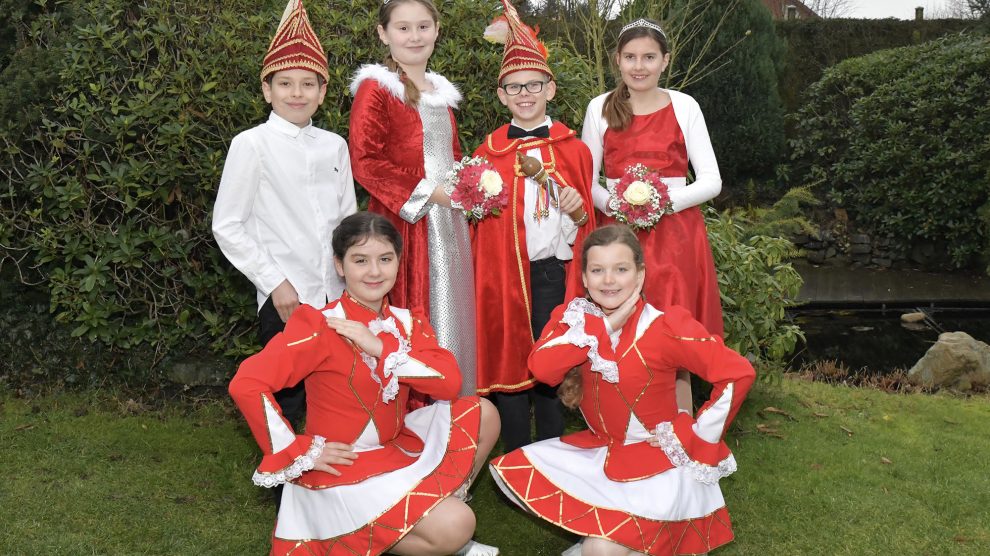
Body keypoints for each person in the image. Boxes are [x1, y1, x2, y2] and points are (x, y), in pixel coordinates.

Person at [229, 212, 500, 556]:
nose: (374, 272)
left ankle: (419, 511)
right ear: (339, 266)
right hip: (342, 465)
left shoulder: (406, 323)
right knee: (458, 524)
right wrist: (300, 450)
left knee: (484, 413)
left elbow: (449, 385)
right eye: (360, 260)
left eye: (385, 259)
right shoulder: (320, 325)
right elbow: (247, 383)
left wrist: (381, 348)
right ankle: (405, 525)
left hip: (395, 448)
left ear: (398, 263)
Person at [490, 225, 755, 556]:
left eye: (621, 269)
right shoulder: (575, 322)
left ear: (640, 275)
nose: (609, 280)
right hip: (601, 452)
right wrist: (602, 328)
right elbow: (542, 369)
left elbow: (738, 373)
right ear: (584, 278)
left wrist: (694, 434)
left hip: (659, 463)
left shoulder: (665, 326)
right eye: (597, 270)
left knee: (601, 550)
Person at [213, 0, 357, 429]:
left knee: (337, 397)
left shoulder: (334, 145)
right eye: (285, 83)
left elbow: (347, 222)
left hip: (335, 297)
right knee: (287, 403)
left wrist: (352, 284)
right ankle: (286, 493)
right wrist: (275, 283)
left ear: (323, 91)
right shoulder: (251, 144)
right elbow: (227, 224)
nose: (297, 93)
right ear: (266, 90)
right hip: (284, 299)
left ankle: (331, 491)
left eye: (308, 84)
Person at [581, 18, 724, 410]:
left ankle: (679, 427)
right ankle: (622, 422)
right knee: (620, 327)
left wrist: (658, 203)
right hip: (617, 238)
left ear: (665, 60)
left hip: (676, 238)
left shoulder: (684, 106)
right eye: (630, 57)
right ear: (618, 60)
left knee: (672, 330)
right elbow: (586, 180)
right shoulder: (600, 109)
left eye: (648, 57)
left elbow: (711, 181)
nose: (639, 66)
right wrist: (618, 205)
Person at [471, 0, 595, 452]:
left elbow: (587, 226)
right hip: (503, 275)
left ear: (551, 89)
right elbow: (478, 225)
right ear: (501, 95)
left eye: (534, 85)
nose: (525, 94)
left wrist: (578, 211)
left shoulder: (575, 150)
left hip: (551, 274)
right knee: (509, 366)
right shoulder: (486, 155)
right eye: (514, 87)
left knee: (550, 364)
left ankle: (551, 457)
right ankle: (515, 459)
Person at [348, 0, 477, 396]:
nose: (414, 36)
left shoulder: (439, 91)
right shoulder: (377, 89)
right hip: (408, 221)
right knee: (417, 307)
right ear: (384, 34)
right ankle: (417, 415)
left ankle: (457, 408)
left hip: (449, 220)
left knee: (452, 310)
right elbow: (366, 161)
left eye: (423, 27)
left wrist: (471, 185)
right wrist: (431, 193)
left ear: (437, 30)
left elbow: (449, 154)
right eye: (403, 28)